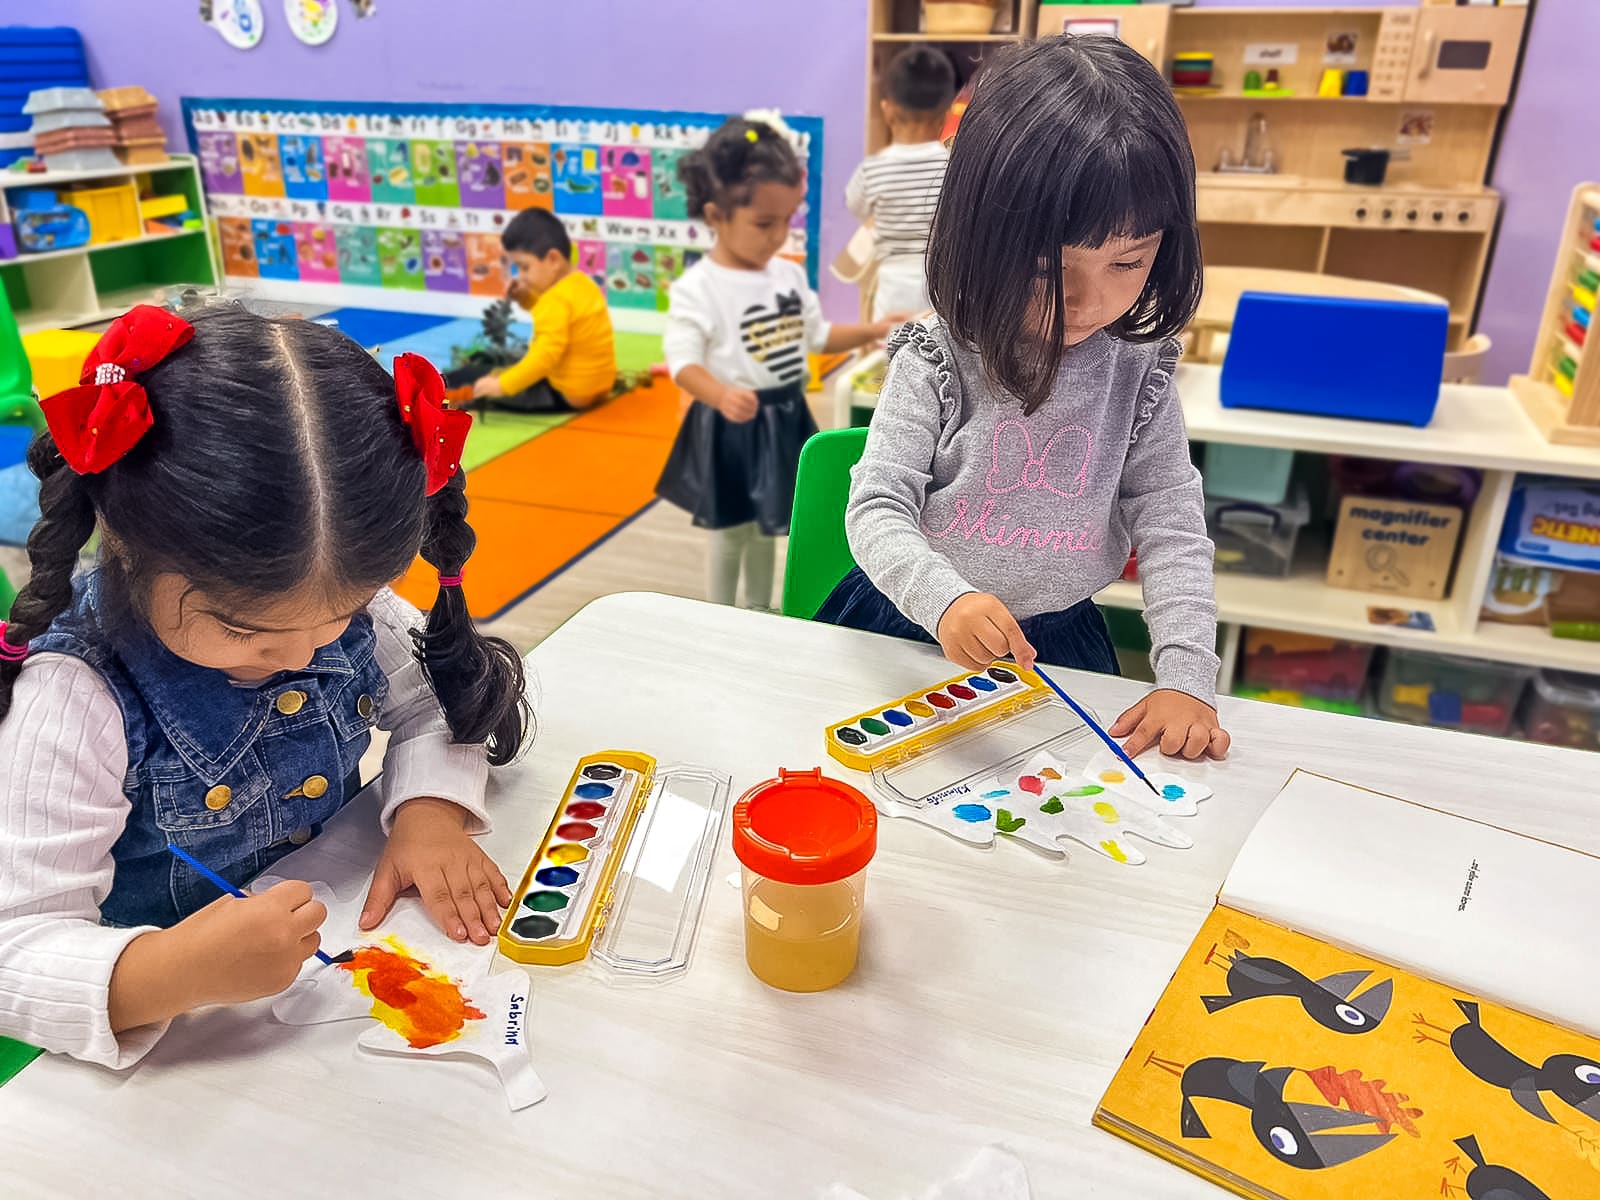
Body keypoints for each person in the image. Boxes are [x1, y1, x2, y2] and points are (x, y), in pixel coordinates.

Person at [0, 302, 531, 1066]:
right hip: (179, 1059)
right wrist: (166, 975)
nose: (299, 653)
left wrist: (429, 811)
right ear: (126, 542)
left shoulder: (331, 601)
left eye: (337, 616)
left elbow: (433, 706)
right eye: (245, 632)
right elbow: (15, 947)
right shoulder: (74, 695)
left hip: (321, 1012)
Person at [818, 35, 1229, 762]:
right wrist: (945, 601)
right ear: (978, 237)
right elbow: (877, 506)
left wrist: (1188, 678)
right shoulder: (936, 355)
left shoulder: (1142, 371)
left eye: (1128, 262)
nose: (1088, 300)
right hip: (907, 623)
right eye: (1048, 270)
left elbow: (1172, 522)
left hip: (1057, 640)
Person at [656, 117, 902, 610]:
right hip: (730, 422)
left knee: (770, 527)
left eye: (786, 222)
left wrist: (872, 330)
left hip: (783, 418)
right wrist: (719, 393)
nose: (777, 236)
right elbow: (682, 362)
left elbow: (817, 336)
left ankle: (759, 608)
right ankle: (721, 610)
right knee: (731, 531)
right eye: (763, 224)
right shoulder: (699, 287)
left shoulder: (787, 278)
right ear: (716, 215)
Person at [845, 45, 956, 320]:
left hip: (891, 283)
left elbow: (856, 207)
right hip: (938, 282)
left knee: (890, 353)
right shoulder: (951, 169)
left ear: (888, 111)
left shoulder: (873, 169)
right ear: (945, 114)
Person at [470, 208, 617, 412]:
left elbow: (544, 358)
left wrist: (501, 386)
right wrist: (525, 298)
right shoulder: (583, 283)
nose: (520, 276)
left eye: (524, 267)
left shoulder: (554, 300)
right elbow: (559, 320)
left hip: (568, 394)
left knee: (484, 385)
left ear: (553, 260)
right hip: (599, 385)